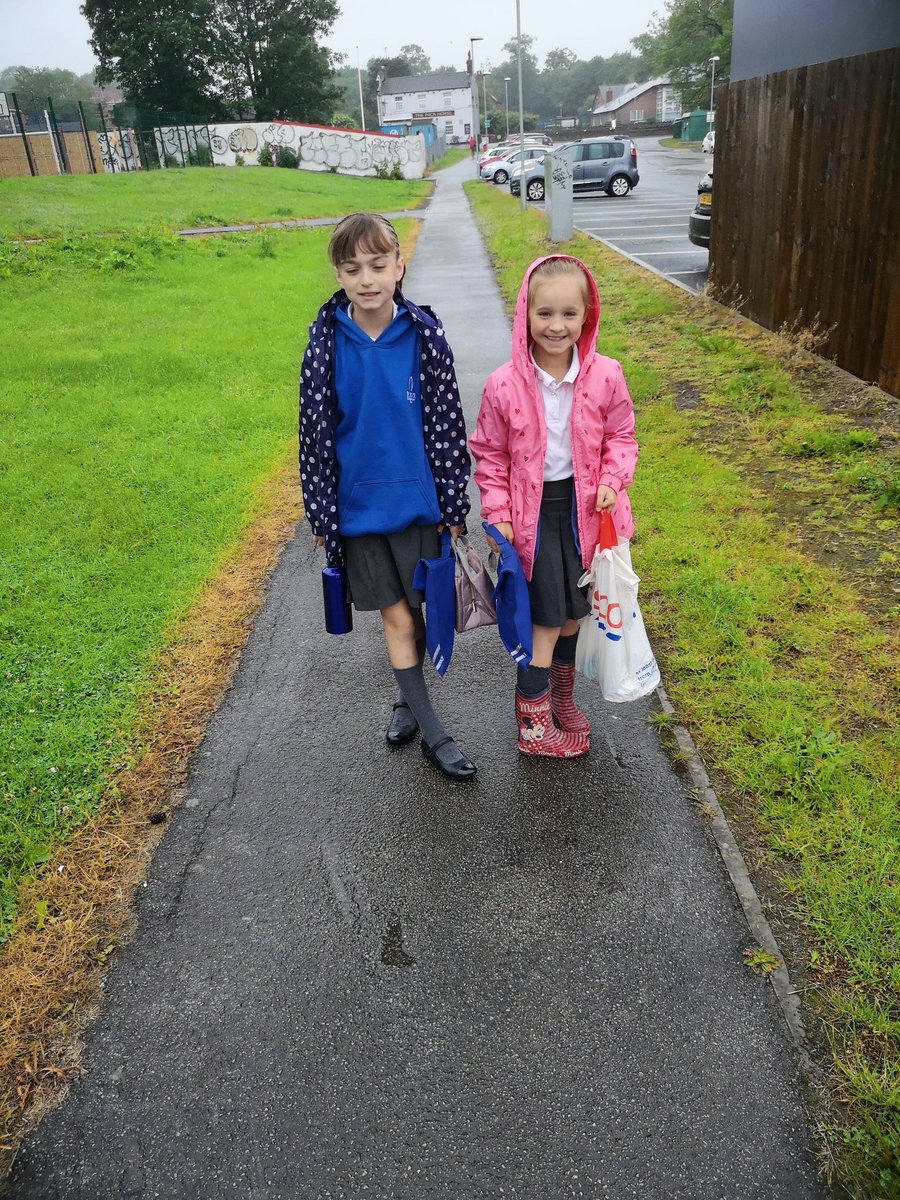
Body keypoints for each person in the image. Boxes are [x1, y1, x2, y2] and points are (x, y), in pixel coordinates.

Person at [299, 213, 477, 781]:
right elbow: (314, 432)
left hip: (420, 507)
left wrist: (454, 504)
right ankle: (435, 734)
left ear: (400, 267)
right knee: (397, 617)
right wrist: (321, 511)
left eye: (379, 266)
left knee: (420, 611)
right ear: (339, 274)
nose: (368, 279)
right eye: (353, 269)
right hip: (358, 515)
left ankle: (406, 698)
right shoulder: (326, 344)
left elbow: (448, 426)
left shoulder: (425, 337)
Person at [470, 255, 638, 758]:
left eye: (568, 313)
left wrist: (611, 478)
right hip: (531, 520)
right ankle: (534, 729)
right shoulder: (505, 384)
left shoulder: (606, 375)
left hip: (585, 514)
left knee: (573, 615)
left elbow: (622, 436)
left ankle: (561, 699)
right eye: (545, 314)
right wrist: (497, 513)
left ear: (587, 315)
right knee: (542, 621)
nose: (556, 325)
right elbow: (490, 453)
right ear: (526, 314)